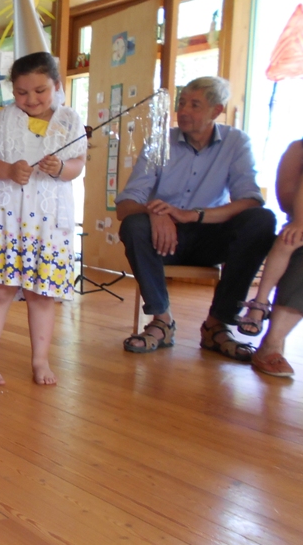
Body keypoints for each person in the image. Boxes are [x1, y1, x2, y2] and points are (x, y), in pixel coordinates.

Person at [116, 76, 276, 360]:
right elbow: (125, 205)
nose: (184, 111)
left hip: (209, 237)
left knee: (261, 220)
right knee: (134, 224)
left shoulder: (236, 142)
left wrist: (193, 215)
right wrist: (156, 212)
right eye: (181, 103)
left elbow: (250, 200)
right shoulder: (160, 142)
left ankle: (217, 325)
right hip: (164, 239)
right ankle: (162, 322)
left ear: (216, 110)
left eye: (195, 105)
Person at [0, 52, 87, 386]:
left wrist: (61, 168)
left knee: (42, 293)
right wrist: (8, 170)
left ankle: (40, 360)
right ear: (13, 90)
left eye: (40, 90)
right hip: (6, 218)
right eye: (22, 92)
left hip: (48, 222)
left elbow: (78, 164)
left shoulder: (70, 120)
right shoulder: (0, 121)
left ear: (57, 86)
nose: (31, 99)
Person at [252, 138, 303, 377]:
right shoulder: (298, 149)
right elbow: (288, 200)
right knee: (291, 240)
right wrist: (301, 221)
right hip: (300, 223)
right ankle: (260, 307)